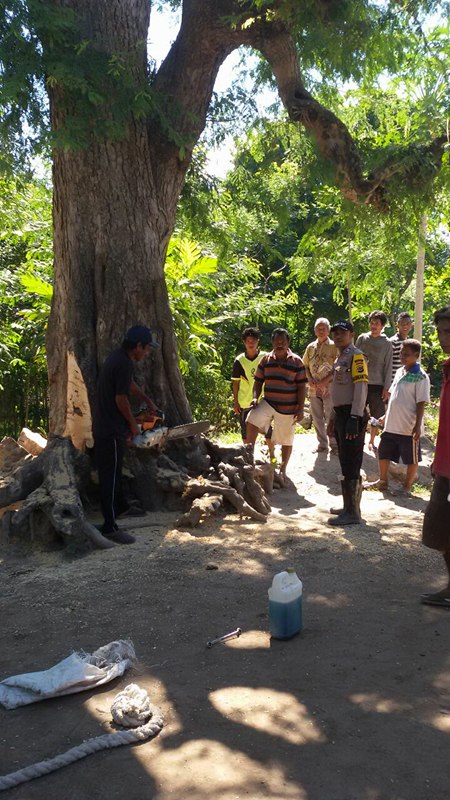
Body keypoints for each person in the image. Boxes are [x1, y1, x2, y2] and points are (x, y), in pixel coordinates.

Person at [92, 325, 159, 544]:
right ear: (138, 346)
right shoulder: (122, 362)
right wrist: (133, 426)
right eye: (146, 348)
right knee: (109, 477)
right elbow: (120, 399)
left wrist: (146, 400)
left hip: (109, 426)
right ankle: (110, 527)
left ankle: (120, 508)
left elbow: (127, 385)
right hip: (109, 428)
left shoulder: (119, 359)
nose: (147, 353)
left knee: (114, 471)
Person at [366, 339, 430, 493]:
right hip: (391, 424)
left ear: (416, 355)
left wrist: (417, 425)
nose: (402, 356)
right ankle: (383, 481)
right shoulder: (400, 371)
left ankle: (406, 487)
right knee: (383, 451)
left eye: (406, 354)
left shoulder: (421, 377)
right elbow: (393, 396)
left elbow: (421, 402)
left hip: (408, 427)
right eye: (401, 353)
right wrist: (385, 416)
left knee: (411, 458)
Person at [245, 328, 307, 478]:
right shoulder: (265, 360)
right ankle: (249, 457)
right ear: (272, 342)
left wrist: (300, 409)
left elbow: (301, 387)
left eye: (283, 342)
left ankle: (283, 469)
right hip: (269, 402)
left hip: (288, 406)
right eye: (277, 342)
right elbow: (258, 381)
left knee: (286, 439)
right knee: (251, 419)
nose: (280, 345)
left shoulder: (297, 362)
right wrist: (255, 397)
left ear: (288, 343)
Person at [421, 306, 450, 608]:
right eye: (440, 331)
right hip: (445, 463)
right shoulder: (447, 367)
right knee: (440, 525)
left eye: (449, 331)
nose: (443, 337)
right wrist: (438, 458)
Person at [327, 321, 368, 526]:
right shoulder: (341, 357)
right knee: (345, 460)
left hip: (353, 414)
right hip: (342, 414)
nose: (338, 336)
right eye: (335, 332)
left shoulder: (356, 356)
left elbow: (361, 387)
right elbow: (338, 392)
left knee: (352, 461)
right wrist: (333, 419)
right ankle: (350, 506)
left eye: (342, 332)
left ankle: (352, 513)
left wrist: (355, 417)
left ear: (352, 334)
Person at [231, 327, 274, 457]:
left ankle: (272, 456)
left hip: (263, 400)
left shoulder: (265, 357)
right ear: (244, 342)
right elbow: (236, 383)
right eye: (248, 340)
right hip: (244, 401)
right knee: (245, 432)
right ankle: (249, 457)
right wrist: (236, 402)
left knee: (268, 430)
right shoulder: (239, 360)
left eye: (253, 340)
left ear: (258, 341)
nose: (251, 343)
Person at [355, 310, 393, 450]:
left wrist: (386, 387)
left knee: (377, 415)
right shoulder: (362, 339)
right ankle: (359, 439)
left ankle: (372, 440)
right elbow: (354, 358)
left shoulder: (387, 344)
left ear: (382, 326)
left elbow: (389, 366)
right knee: (359, 411)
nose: (373, 326)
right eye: (372, 323)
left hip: (378, 384)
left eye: (377, 323)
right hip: (361, 382)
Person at [302, 317, 337, 453]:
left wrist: (325, 381)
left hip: (329, 387)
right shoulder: (310, 347)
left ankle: (334, 444)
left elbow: (338, 367)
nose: (321, 331)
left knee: (331, 415)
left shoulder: (334, 346)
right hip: (313, 387)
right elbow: (304, 365)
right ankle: (322, 444)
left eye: (324, 328)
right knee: (316, 416)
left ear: (328, 330)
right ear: (315, 330)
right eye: (318, 328)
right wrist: (309, 378)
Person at [390, 312, 413, 381]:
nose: (405, 326)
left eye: (407, 324)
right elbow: (388, 364)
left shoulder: (410, 343)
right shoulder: (393, 342)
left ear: (411, 326)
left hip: (405, 381)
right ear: (397, 326)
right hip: (393, 381)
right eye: (402, 324)